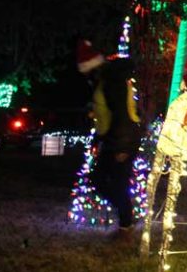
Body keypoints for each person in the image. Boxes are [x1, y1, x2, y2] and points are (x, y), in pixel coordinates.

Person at [76, 39, 142, 238]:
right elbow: (108, 113)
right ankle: (126, 221)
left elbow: (121, 115)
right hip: (115, 139)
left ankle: (126, 225)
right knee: (102, 180)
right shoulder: (107, 82)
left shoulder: (111, 83)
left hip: (122, 141)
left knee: (113, 183)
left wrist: (121, 147)